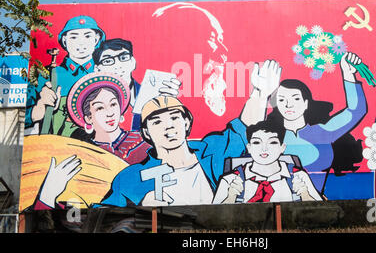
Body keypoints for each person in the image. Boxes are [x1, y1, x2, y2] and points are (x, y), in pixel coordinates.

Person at [98, 60, 283, 207]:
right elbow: (103, 217)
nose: (168, 126)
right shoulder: (132, 177)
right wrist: (138, 208)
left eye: (174, 118)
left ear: (186, 122)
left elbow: (243, 129)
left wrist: (260, 93)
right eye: (157, 122)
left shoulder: (211, 153)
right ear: (146, 132)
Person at [266, 52, 367, 194]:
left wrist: (348, 74)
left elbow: (355, 111)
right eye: (282, 100)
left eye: (295, 98)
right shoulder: (268, 136)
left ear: (306, 103)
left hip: (316, 200)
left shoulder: (321, 133)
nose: (288, 105)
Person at [25, 15, 106, 136]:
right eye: (73, 37)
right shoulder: (47, 75)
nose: (81, 42)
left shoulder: (105, 73)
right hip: (57, 149)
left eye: (87, 36)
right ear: (64, 41)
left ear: (96, 39)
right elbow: (21, 116)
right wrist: (37, 110)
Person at [213, 119, 322, 204]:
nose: (264, 149)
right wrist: (230, 198)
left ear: (282, 147)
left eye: (272, 143)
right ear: (249, 147)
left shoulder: (298, 177)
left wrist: (305, 196)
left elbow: (321, 215)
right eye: (257, 143)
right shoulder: (230, 180)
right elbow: (213, 220)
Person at [66, 72, 152, 164]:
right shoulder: (83, 150)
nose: (109, 113)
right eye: (100, 108)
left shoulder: (141, 141)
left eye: (113, 104)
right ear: (88, 118)